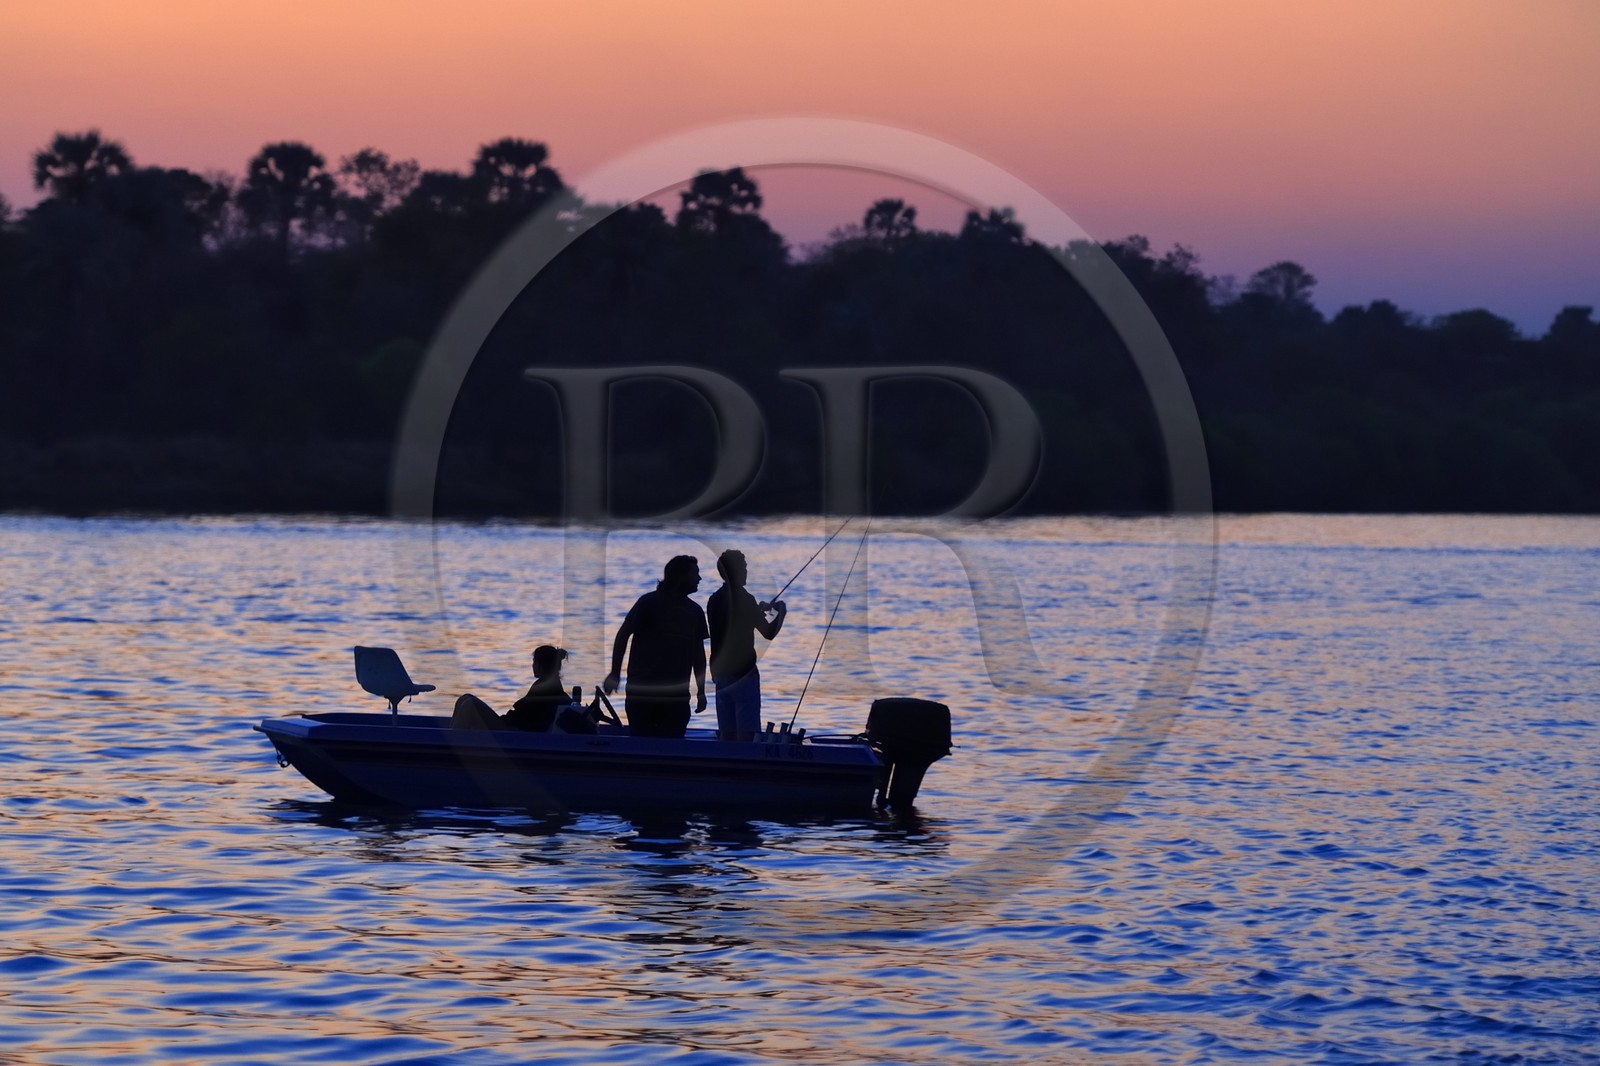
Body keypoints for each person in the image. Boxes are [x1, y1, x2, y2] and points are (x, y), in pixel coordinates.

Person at [604, 555, 708, 738]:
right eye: (695, 574)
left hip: (677, 698)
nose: (699, 579)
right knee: (641, 744)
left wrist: (701, 691)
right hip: (642, 694)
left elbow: (698, 655)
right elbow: (623, 635)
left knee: (673, 747)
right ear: (680, 576)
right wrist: (614, 673)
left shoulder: (695, 611)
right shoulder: (649, 603)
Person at [707, 549, 786, 741]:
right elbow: (768, 633)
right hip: (743, 675)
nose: (746, 571)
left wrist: (758, 611)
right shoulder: (745, 598)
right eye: (743, 567)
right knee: (747, 736)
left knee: (727, 735)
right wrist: (781, 612)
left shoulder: (714, 599)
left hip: (721, 676)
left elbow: (732, 623)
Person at [502, 644, 570, 732]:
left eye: (534, 661)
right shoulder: (554, 685)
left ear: (540, 664)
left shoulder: (543, 687)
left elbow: (522, 715)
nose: (533, 665)